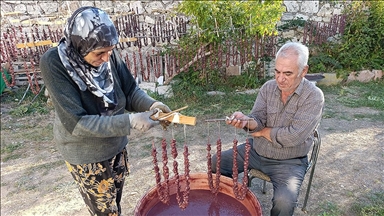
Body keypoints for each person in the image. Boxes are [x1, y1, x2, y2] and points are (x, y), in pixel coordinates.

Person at [40, 6, 171, 216]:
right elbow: (76, 123)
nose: (107, 58)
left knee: (114, 203)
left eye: (110, 51)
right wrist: (129, 122)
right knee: (104, 212)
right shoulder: (54, 63)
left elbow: (129, 91)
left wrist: (151, 105)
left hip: (115, 145)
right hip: (86, 154)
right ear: (81, 46)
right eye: (100, 53)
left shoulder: (107, 51)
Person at [211, 42, 324, 216]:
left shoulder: (314, 97)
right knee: (216, 162)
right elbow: (258, 119)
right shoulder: (268, 88)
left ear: (303, 71)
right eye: (277, 72)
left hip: (290, 161)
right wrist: (246, 121)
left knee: (284, 202)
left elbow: (293, 137)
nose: (280, 79)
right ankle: (229, 205)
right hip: (256, 150)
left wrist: (262, 132)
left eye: (287, 73)